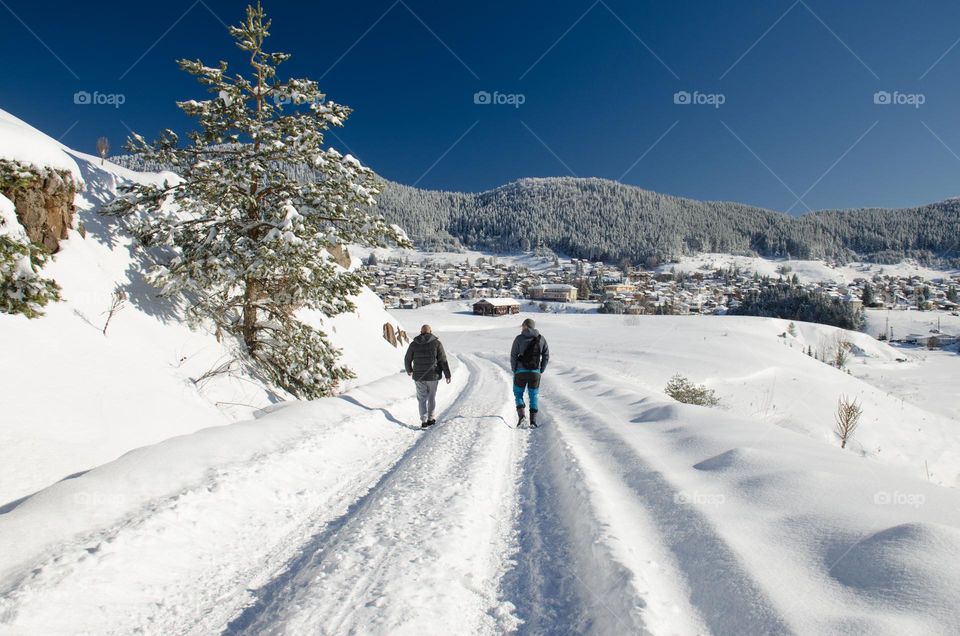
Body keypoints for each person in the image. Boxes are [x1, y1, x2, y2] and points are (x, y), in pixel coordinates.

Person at [404, 324, 452, 428]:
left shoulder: (414, 344)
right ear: (431, 331)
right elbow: (442, 360)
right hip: (433, 376)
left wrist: (409, 370)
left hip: (419, 376)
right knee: (431, 397)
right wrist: (447, 374)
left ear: (421, 332)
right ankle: (431, 418)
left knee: (421, 399)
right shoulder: (437, 343)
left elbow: (407, 358)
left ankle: (424, 420)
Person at [511, 317, 550, 428]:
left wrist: (515, 369)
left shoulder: (518, 338)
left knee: (518, 393)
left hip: (520, 372)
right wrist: (541, 369)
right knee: (533, 395)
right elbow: (546, 355)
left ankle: (522, 417)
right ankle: (533, 421)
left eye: (522, 325)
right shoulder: (541, 339)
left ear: (525, 326)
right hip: (535, 373)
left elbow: (513, 355)